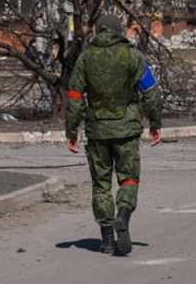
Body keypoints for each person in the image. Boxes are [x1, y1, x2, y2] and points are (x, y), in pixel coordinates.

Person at [65, 14, 163, 256]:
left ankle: (107, 239)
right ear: (119, 31)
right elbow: (150, 91)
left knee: (100, 185)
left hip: (97, 130)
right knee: (129, 179)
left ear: (98, 31)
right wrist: (155, 123)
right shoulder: (133, 56)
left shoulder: (86, 58)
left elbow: (75, 97)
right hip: (126, 130)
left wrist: (71, 131)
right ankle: (123, 214)